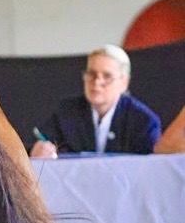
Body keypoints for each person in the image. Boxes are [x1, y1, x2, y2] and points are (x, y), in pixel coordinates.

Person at [29, 45, 162, 159]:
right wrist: (39, 151)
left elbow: (149, 169)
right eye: (91, 74)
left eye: (107, 76)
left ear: (124, 82)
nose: (97, 82)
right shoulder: (67, 111)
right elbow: (43, 142)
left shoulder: (144, 122)